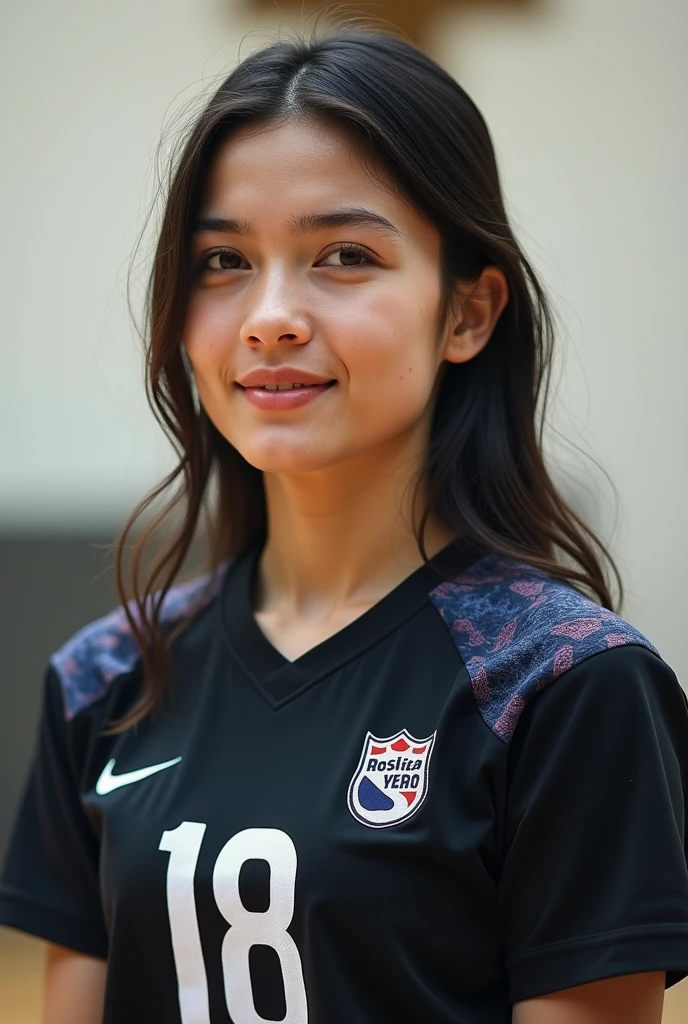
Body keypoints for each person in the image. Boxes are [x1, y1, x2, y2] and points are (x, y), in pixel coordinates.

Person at [1, 20, 687, 1024]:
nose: (268, 314)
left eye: (345, 254)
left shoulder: (566, 686)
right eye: (223, 261)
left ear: (468, 313)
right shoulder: (103, 680)